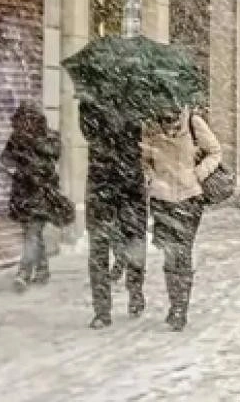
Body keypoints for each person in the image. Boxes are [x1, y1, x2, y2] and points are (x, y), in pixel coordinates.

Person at [141, 105, 222, 331]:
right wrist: (151, 178)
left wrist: (198, 174)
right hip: (163, 199)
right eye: (165, 121)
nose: (170, 126)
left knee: (183, 251)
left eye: (173, 120)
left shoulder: (194, 123)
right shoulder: (150, 127)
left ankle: (180, 308)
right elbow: (144, 159)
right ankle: (174, 301)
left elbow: (215, 151)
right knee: (169, 253)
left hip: (189, 198)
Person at [79, 98, 147, 329]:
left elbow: (142, 137)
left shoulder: (137, 101)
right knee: (99, 249)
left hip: (129, 187)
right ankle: (102, 309)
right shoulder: (91, 104)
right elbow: (88, 132)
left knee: (134, 242)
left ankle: (135, 291)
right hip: (102, 188)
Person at [0, 103, 64, 291]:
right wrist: (13, 166)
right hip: (23, 194)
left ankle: (24, 272)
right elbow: (5, 158)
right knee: (32, 234)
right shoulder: (17, 138)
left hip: (42, 194)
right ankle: (43, 270)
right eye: (21, 121)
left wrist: (32, 150)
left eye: (27, 120)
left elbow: (53, 155)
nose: (24, 124)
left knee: (32, 233)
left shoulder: (50, 137)